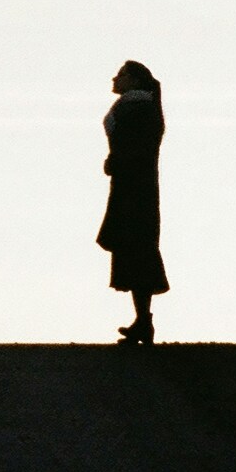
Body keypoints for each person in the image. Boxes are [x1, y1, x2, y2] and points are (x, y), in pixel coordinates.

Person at [97, 60, 167, 345]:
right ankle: (142, 320)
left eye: (121, 75)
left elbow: (137, 147)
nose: (115, 79)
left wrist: (117, 161)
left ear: (134, 79)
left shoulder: (138, 108)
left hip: (134, 188)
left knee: (136, 246)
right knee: (133, 248)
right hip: (131, 185)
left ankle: (143, 321)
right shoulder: (136, 106)